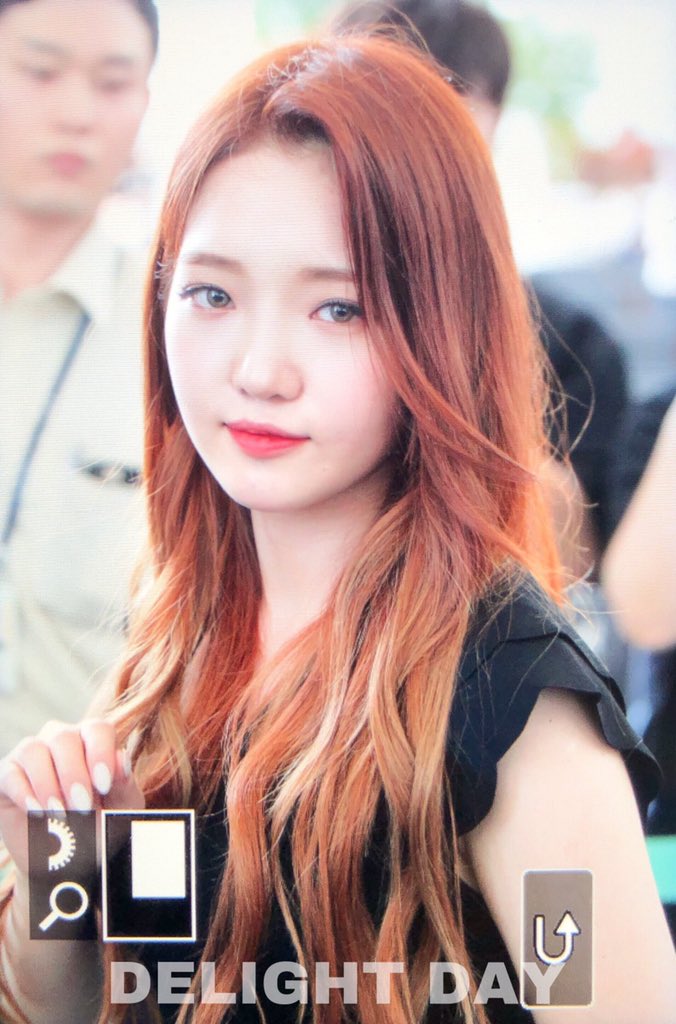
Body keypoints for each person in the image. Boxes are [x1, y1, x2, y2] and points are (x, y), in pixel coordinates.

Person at [0, 32, 674, 1024]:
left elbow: (604, 1004)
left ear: (439, 326)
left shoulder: (505, 697)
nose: (259, 369)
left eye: (340, 309)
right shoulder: (183, 637)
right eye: (213, 294)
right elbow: (126, 996)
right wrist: (63, 859)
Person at [333, 0, 629, 574]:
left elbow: (578, 573)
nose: (414, 142)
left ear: (489, 123)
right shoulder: (275, 317)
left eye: (447, 105)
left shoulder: (576, 348)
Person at [0, 0, 158, 754]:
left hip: (78, 822)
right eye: (40, 71)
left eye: (112, 82)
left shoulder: (179, 335)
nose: (76, 113)